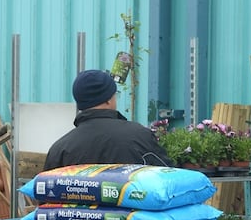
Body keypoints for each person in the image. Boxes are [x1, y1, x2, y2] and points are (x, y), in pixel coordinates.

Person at [44, 69, 174, 170]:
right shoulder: (139, 136)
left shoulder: (60, 150)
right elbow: (167, 176)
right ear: (108, 99)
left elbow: (46, 196)